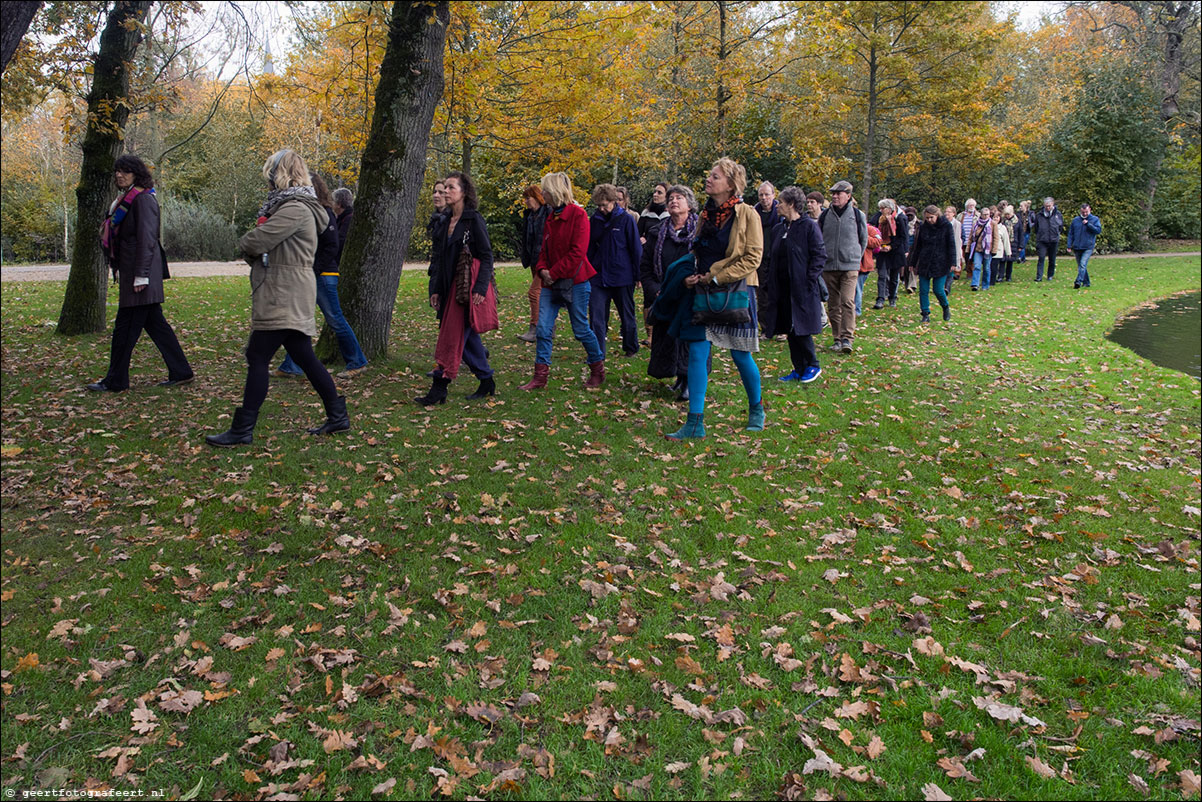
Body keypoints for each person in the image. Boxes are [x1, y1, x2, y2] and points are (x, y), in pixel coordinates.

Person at [206, 149, 348, 446]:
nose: (267, 180)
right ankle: (338, 416)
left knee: (258, 355)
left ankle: (243, 429)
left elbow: (256, 240)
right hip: (288, 288)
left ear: (279, 174)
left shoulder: (295, 208)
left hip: (284, 291)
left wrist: (247, 245)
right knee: (304, 356)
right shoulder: (295, 206)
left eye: (269, 173)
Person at [657, 158, 765, 440]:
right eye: (709, 175)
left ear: (730, 184)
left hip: (735, 291)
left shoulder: (748, 214)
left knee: (740, 354)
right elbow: (697, 250)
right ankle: (695, 422)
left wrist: (716, 277)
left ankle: (756, 409)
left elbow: (753, 257)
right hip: (702, 290)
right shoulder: (705, 214)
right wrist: (691, 275)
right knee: (697, 351)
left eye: (714, 177)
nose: (708, 180)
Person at [87, 154, 194, 393]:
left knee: (124, 331)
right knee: (156, 326)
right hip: (134, 273)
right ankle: (182, 372)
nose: (119, 175)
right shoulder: (126, 199)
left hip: (140, 275)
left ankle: (116, 381)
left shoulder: (143, 199)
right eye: (117, 171)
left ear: (137, 174)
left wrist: (142, 275)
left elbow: (148, 239)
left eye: (125, 171)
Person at [274, 175, 369, 380]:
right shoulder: (309, 212)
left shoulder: (324, 213)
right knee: (299, 319)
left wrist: (313, 270)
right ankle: (291, 366)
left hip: (323, 275)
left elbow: (332, 246)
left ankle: (357, 361)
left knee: (334, 319)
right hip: (311, 274)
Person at [417, 171, 498, 405]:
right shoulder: (444, 222)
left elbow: (486, 255)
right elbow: (440, 259)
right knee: (467, 339)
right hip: (448, 287)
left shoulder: (473, 221)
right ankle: (486, 380)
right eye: (445, 188)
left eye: (451, 188)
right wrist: (435, 289)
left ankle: (439, 390)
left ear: (464, 192)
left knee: (451, 337)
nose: (445, 192)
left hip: (466, 289)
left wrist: (480, 288)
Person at [519, 172, 605, 390]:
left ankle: (597, 369)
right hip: (550, 282)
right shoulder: (551, 216)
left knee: (580, 329)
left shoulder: (578, 215)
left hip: (575, 281)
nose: (542, 193)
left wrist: (553, 272)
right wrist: (541, 269)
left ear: (555, 191)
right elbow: (544, 250)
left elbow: (577, 253)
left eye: (545, 189)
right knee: (543, 329)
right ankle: (540, 377)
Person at [639, 184, 698, 400]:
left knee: (690, 341)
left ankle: (690, 381)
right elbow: (645, 267)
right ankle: (678, 377)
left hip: (691, 295)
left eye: (679, 198)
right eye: (671, 198)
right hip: (664, 296)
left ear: (689, 205)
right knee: (668, 339)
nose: (673, 201)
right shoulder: (657, 233)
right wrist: (655, 291)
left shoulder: (699, 231)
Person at [765, 187, 826, 383]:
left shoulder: (808, 226)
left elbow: (819, 255)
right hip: (782, 288)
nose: (777, 206)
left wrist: (809, 280)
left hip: (802, 288)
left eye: (781, 202)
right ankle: (798, 368)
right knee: (789, 328)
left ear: (791, 204)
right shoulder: (779, 228)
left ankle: (813, 365)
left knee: (802, 328)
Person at [588, 183, 643, 360]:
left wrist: (638, 275)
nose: (602, 209)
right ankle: (597, 353)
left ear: (613, 202)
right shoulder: (594, 220)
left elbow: (635, 248)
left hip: (622, 275)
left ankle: (630, 346)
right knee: (596, 317)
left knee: (627, 314)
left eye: (605, 205)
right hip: (598, 276)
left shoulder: (626, 220)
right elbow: (589, 248)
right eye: (599, 205)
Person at [818, 180, 867, 353]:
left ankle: (847, 338)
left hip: (850, 266)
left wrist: (855, 258)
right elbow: (818, 239)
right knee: (833, 304)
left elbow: (863, 238)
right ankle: (837, 338)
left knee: (847, 301)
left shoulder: (857, 214)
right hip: (829, 267)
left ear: (848, 195)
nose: (835, 196)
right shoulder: (824, 216)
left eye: (838, 193)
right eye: (833, 193)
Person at [908, 205, 958, 323]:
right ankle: (925, 313)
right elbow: (918, 246)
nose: (929, 220)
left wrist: (953, 262)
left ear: (937, 215)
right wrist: (913, 262)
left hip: (941, 262)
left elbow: (951, 245)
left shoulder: (946, 226)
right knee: (923, 290)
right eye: (927, 218)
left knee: (938, 289)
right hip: (925, 261)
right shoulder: (923, 227)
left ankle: (945, 307)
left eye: (931, 217)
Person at [517, 184, 549, 343]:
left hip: (544, 260)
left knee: (534, 293)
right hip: (533, 260)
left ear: (537, 198)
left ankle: (535, 328)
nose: (526, 202)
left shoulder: (548, 212)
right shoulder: (529, 215)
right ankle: (549, 327)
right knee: (543, 294)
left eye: (528, 198)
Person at [753, 181, 781, 333]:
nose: (764, 198)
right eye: (761, 195)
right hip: (760, 259)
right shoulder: (754, 213)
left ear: (773, 195)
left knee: (778, 294)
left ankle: (780, 328)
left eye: (767, 194)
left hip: (776, 259)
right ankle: (765, 327)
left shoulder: (780, 213)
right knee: (762, 296)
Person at [871, 199, 907, 309]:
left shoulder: (899, 218)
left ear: (889, 209)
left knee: (894, 277)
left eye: (883, 208)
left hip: (895, 251)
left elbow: (902, 236)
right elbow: (872, 229)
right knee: (882, 275)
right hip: (882, 251)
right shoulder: (877, 217)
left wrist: (891, 246)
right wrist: (879, 246)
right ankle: (880, 298)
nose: (881, 210)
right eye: (880, 208)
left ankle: (892, 297)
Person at [1068, 202, 1102, 289]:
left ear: (1089, 210)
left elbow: (1098, 231)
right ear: (1080, 211)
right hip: (1077, 246)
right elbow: (1071, 233)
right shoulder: (1075, 220)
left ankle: (1078, 281)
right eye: (1083, 212)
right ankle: (1086, 282)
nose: (1085, 214)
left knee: (1083, 264)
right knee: (1081, 266)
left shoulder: (1094, 219)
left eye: (1086, 212)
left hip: (1088, 246)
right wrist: (1069, 245)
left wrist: (1088, 224)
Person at [1031, 197, 1064, 281]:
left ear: (1053, 204)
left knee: (1052, 259)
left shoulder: (1058, 214)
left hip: (1053, 240)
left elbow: (1060, 226)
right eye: (1046, 206)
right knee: (1041, 258)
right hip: (1042, 240)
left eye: (1049, 206)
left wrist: (1056, 234)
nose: (1048, 208)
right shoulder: (1039, 215)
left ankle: (1050, 275)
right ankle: (1039, 277)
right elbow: (1036, 227)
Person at [856, 220, 882, 316]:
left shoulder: (870, 229)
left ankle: (856, 311)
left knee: (857, 287)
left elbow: (878, 241)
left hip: (864, 265)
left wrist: (864, 237)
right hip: (851, 263)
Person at [966, 205, 992, 291]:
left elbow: (995, 238)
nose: (986, 216)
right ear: (981, 214)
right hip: (978, 249)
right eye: (984, 214)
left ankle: (985, 285)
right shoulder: (976, 224)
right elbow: (971, 237)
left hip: (988, 250)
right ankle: (975, 284)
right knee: (977, 266)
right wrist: (968, 248)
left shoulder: (992, 224)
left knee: (987, 268)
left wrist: (994, 250)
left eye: (987, 214)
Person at [993, 206, 1015, 285]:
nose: (995, 219)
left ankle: (1000, 276)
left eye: (997, 217)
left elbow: (1006, 241)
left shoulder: (1002, 228)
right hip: (991, 250)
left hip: (1000, 250)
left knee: (1002, 263)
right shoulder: (989, 226)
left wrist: (1008, 252)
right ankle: (993, 277)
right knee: (992, 265)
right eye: (994, 217)